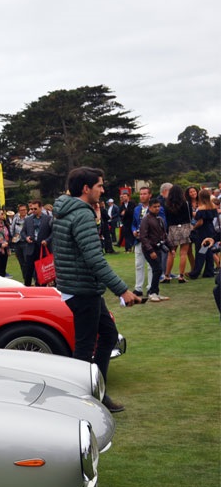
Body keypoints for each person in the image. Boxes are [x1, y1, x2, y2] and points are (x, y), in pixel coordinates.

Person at [53, 167, 139, 414]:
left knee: (108, 336)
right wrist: (122, 290)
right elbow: (95, 259)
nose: (103, 190)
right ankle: (83, 399)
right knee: (84, 348)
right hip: (82, 290)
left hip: (79, 287)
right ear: (85, 188)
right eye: (100, 186)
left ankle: (96, 392)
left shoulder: (65, 210)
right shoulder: (81, 215)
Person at [137, 199, 170, 302]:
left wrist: (171, 247)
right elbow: (143, 237)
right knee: (157, 269)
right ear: (150, 207)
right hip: (149, 249)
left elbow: (164, 235)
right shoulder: (146, 219)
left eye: (158, 206)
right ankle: (152, 292)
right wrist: (150, 251)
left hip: (158, 248)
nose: (157, 208)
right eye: (155, 207)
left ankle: (155, 292)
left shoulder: (159, 219)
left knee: (158, 270)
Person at [164, 184, 193, 283]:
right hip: (184, 227)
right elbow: (190, 218)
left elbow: (167, 219)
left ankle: (167, 275)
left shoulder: (167, 205)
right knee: (183, 253)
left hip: (172, 229)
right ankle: (181, 276)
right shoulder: (186, 203)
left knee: (171, 253)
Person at [21, 199, 53, 286]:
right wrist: (26, 238)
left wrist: (47, 240)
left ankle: (41, 287)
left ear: (41, 208)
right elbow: (22, 232)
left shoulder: (48, 219)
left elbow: (53, 232)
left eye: (35, 209)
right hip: (31, 247)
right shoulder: (28, 220)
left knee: (41, 271)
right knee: (29, 270)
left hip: (42, 248)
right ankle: (27, 287)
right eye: (32, 209)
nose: (33, 211)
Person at [189, 187, 219, 280]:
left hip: (202, 232)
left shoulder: (201, 209)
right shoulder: (213, 206)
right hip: (211, 230)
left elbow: (200, 222)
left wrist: (193, 227)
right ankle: (209, 271)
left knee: (201, 252)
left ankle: (195, 272)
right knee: (209, 251)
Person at [130, 185, 153, 296]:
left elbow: (161, 223)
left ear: (150, 195)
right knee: (138, 264)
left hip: (150, 240)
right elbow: (134, 224)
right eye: (141, 194)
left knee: (150, 265)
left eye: (144, 194)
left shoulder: (156, 208)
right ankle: (138, 288)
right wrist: (134, 231)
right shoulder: (137, 209)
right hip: (138, 240)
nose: (142, 196)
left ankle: (150, 287)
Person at [9, 204, 28, 272]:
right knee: (21, 262)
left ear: (26, 210)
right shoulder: (16, 219)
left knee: (27, 261)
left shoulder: (29, 218)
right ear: (19, 211)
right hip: (17, 243)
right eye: (21, 210)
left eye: (24, 210)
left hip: (26, 242)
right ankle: (25, 278)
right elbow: (12, 229)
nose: (23, 211)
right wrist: (13, 237)